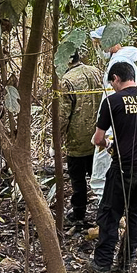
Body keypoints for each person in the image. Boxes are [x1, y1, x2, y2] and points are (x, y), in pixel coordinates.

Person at [90, 61, 137, 273]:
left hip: (124, 168)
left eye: (112, 83)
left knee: (110, 213)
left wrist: (108, 144)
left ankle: (102, 263)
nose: (112, 87)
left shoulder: (113, 101)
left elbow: (98, 138)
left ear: (116, 79)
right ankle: (125, 263)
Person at [88, 26, 137, 204]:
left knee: (104, 164)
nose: (98, 47)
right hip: (117, 119)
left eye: (99, 43)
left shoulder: (120, 62)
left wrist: (107, 127)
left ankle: (108, 206)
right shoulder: (120, 59)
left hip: (114, 121)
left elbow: (115, 96)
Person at [59, 50, 104, 224]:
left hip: (77, 140)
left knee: (78, 181)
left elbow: (62, 115)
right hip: (99, 135)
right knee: (98, 174)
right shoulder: (95, 71)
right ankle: (103, 210)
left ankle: (79, 212)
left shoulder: (67, 81)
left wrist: (57, 140)